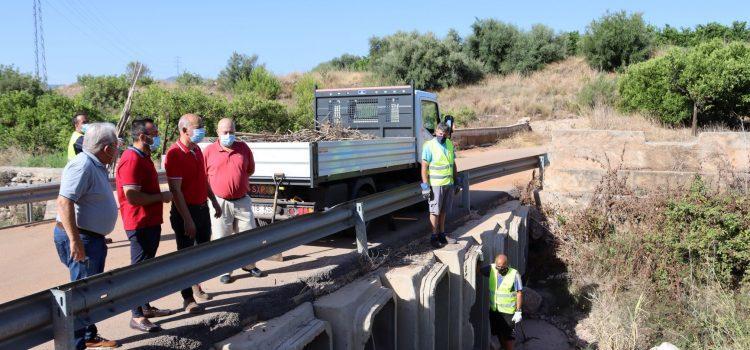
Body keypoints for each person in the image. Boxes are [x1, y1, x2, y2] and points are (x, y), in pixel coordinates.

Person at [54, 123, 120, 349]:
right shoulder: (82, 165)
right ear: (107, 148)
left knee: (88, 291)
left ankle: (89, 335)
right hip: (82, 239)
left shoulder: (96, 164)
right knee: (82, 294)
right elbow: (64, 202)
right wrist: (75, 240)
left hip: (90, 238)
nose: (118, 149)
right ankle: (76, 343)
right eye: (116, 145)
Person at [115, 118, 173, 333]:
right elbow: (133, 198)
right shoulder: (131, 159)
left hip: (150, 221)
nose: (157, 137)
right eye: (154, 133)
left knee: (147, 267)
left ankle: (145, 307)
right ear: (142, 137)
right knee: (138, 269)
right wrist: (161, 196)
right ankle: (136, 316)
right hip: (138, 222)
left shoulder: (144, 156)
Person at [165, 113, 222, 314]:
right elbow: (176, 190)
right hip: (185, 212)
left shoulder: (197, 150)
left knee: (202, 252)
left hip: (202, 209)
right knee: (186, 257)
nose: (201, 131)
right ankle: (187, 298)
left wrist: (214, 201)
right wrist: (188, 220)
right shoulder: (175, 154)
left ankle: (196, 283)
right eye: (197, 127)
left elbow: (203, 179)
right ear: (184, 130)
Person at [204, 118, 266, 283]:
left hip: (242, 201)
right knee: (221, 238)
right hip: (219, 202)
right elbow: (203, 177)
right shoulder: (209, 151)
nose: (228, 135)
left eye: (231, 132)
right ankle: (224, 271)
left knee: (248, 235)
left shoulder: (243, 148)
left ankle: (249, 265)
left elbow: (249, 169)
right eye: (225, 132)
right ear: (218, 133)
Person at [420, 122, 459, 248]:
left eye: (444, 134)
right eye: (440, 133)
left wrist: (456, 181)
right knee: (435, 211)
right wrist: (425, 186)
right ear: (436, 132)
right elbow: (424, 167)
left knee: (443, 211)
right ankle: (433, 236)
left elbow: (452, 164)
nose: (441, 136)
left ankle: (442, 234)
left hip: (448, 183)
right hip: (436, 185)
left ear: (448, 134)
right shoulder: (429, 146)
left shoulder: (449, 144)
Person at [481, 254, 523, 350]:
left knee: (508, 337)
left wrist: (518, 311)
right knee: (499, 333)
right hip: (495, 310)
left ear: (507, 265)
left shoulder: (514, 274)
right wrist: (480, 259)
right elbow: (477, 270)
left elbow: (519, 293)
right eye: (498, 266)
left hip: (508, 313)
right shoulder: (491, 269)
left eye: (502, 267)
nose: (500, 269)